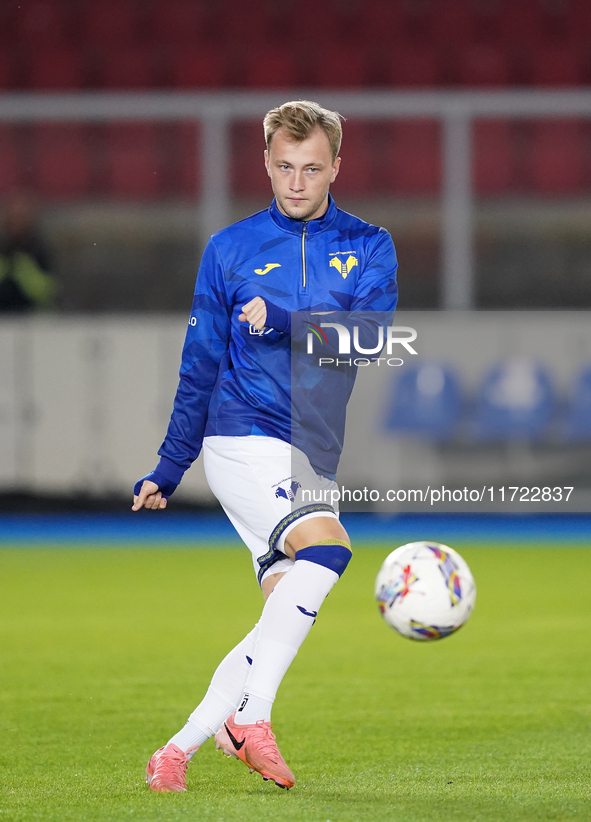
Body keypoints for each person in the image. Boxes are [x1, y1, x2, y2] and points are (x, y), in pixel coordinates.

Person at [133, 100, 398, 792]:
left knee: (279, 614)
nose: (296, 182)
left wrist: (282, 320)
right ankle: (252, 722)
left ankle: (177, 751)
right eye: (284, 166)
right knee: (329, 549)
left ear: (336, 166)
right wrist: (170, 463)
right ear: (266, 162)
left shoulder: (370, 245)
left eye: (312, 168)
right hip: (241, 436)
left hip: (313, 453)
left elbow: (369, 341)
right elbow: (198, 363)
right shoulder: (230, 249)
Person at [0, 192, 57, 313]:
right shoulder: (2, 248)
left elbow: (49, 291)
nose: (17, 222)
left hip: (32, 318)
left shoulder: (39, 250)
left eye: (21, 216)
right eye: (13, 217)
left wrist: (24, 271)